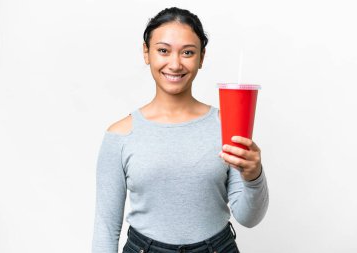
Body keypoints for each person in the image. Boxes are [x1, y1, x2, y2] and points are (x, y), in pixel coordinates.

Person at [92, 7, 269, 253]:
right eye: (163, 50)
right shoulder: (120, 135)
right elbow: (105, 228)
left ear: (201, 57)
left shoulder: (228, 126)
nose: (175, 64)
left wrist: (254, 176)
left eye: (187, 52)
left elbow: (248, 217)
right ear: (146, 52)